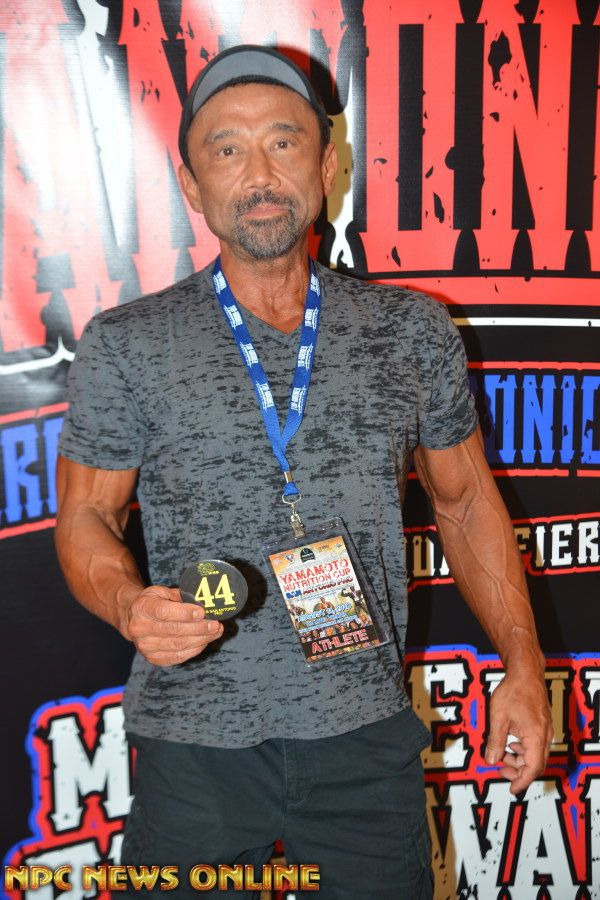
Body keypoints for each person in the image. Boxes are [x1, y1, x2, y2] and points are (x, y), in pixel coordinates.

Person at [55, 44, 553, 899]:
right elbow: (86, 518)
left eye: (283, 143)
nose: (259, 174)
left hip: (366, 739)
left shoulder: (410, 331)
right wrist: (129, 603)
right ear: (191, 186)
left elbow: (467, 502)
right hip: (194, 749)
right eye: (227, 149)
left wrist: (524, 662)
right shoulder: (128, 343)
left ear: (326, 167)